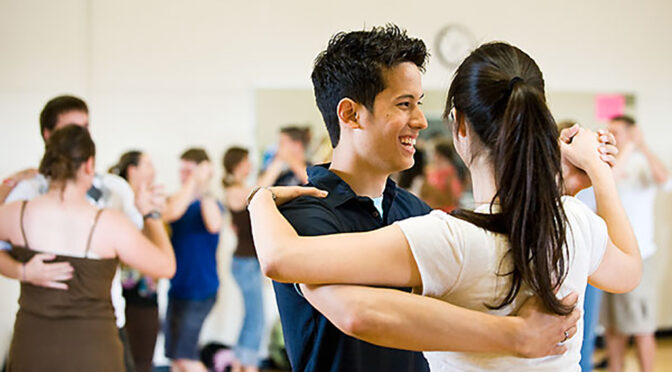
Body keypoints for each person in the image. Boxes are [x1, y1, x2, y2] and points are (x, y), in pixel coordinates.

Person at [247, 41, 642, 371]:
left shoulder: (426, 219)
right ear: (350, 113)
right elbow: (356, 312)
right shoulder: (305, 212)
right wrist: (587, 175)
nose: (420, 120)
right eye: (405, 104)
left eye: (419, 103)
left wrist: (258, 199)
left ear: (461, 126)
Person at [0, 125, 175, 371]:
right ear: (89, 165)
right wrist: (151, 214)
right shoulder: (109, 223)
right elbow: (166, 266)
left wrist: (22, 271)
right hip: (93, 353)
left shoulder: (17, 213)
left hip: (32, 349)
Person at [596, 115, 669, 372]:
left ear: (631, 132)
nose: (609, 133)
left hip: (641, 257)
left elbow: (665, 180)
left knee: (641, 328)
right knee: (613, 328)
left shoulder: (640, 163)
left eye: (615, 130)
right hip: (609, 255)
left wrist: (642, 146)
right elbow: (609, 182)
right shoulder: (606, 164)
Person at [163, 148, 224, 372]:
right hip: (177, 288)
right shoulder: (175, 200)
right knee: (175, 357)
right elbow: (171, 213)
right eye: (182, 171)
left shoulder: (210, 203)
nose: (184, 176)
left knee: (185, 357)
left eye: (189, 170)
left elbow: (214, 224)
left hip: (201, 291)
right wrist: (193, 180)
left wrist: (201, 184)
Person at [110, 150, 165, 372]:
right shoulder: (115, 200)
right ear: (132, 170)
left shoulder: (153, 199)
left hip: (145, 293)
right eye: (148, 165)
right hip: (125, 294)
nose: (153, 171)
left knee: (142, 361)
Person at [222, 147, 266, 372]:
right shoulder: (234, 191)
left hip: (250, 263)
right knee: (256, 319)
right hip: (244, 264)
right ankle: (248, 367)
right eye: (247, 161)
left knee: (252, 317)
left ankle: (240, 363)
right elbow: (260, 190)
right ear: (238, 164)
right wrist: (279, 161)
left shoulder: (238, 188)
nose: (250, 165)